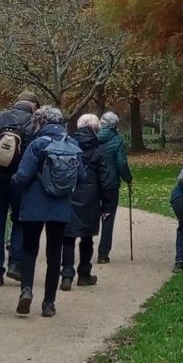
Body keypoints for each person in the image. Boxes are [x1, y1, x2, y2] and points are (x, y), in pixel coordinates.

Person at [8, 106, 75, 318]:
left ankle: (26, 290)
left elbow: (23, 174)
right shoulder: (72, 145)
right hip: (60, 206)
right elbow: (80, 175)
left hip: (34, 204)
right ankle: (49, 303)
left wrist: (14, 186)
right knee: (55, 254)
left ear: (41, 122)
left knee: (29, 249)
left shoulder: (37, 144)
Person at [0, 96, 38, 286]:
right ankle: (16, 263)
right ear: (34, 106)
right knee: (20, 221)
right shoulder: (33, 122)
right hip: (20, 179)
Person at [60, 114, 116, 291]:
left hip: (69, 195)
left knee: (68, 238)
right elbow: (105, 180)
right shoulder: (99, 150)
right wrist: (107, 205)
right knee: (87, 238)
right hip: (90, 198)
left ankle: (66, 275)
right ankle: (84, 274)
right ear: (96, 128)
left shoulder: (68, 145)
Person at [95, 109, 134, 264]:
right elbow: (121, 163)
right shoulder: (116, 140)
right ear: (115, 125)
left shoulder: (92, 137)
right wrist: (128, 179)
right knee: (108, 218)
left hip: (93, 184)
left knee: (88, 216)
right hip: (110, 185)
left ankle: (86, 250)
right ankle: (103, 254)